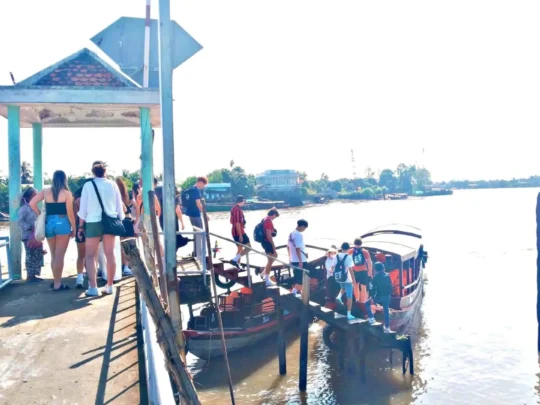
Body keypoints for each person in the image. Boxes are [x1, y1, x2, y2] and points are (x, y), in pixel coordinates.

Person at [77, 161, 125, 297]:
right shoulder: (113, 184)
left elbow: (83, 209)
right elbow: (119, 208)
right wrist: (119, 220)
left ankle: (93, 287)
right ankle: (109, 285)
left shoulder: (88, 185)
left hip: (93, 221)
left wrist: (81, 227)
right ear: (106, 172)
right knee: (110, 254)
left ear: (93, 172)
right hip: (110, 221)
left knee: (90, 255)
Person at [30, 170, 76, 291]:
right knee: (60, 256)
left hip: (49, 224)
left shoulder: (46, 191)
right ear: (64, 179)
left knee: (53, 255)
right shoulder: (67, 193)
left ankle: (56, 281)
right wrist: (74, 228)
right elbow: (70, 214)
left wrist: (40, 215)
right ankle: (57, 284)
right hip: (63, 223)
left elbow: (32, 203)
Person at [19, 187, 45, 282]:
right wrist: (30, 228)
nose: (36, 196)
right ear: (29, 197)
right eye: (34, 195)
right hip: (28, 236)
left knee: (37, 255)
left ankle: (34, 275)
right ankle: (30, 276)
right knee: (30, 255)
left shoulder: (34, 207)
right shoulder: (24, 209)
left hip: (36, 235)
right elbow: (20, 221)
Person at [182, 176, 209, 257]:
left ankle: (196, 252)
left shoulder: (190, 189)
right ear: (200, 182)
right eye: (203, 184)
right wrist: (205, 214)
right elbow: (198, 204)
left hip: (190, 214)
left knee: (196, 232)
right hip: (196, 214)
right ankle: (200, 253)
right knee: (201, 232)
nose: (203, 186)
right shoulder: (196, 191)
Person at [365, 261, 393, 333]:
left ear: (376, 269)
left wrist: (372, 297)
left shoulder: (375, 277)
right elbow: (390, 286)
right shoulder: (387, 275)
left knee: (366, 304)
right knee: (386, 310)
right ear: (383, 268)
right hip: (387, 296)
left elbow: (372, 288)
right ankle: (387, 327)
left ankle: (371, 318)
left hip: (379, 296)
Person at [115, 177, 134, 277]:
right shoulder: (128, 195)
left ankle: (122, 266)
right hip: (128, 221)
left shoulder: (114, 195)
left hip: (119, 221)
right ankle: (126, 267)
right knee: (127, 247)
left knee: (119, 247)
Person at [332, 242, 356, 320]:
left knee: (343, 288)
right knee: (349, 297)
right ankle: (349, 314)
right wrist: (353, 279)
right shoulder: (348, 257)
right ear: (348, 249)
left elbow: (333, 267)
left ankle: (339, 297)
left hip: (339, 278)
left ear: (341, 248)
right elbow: (350, 269)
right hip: (347, 278)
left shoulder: (336, 256)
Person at [258, 208, 279, 286]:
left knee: (273, 257)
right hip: (267, 242)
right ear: (273, 214)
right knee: (271, 260)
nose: (274, 218)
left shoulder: (264, 219)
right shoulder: (268, 221)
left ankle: (264, 273)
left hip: (264, 241)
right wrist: (273, 245)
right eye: (275, 217)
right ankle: (267, 280)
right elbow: (268, 235)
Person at [287, 219, 309, 295]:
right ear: (302, 226)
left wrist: (289, 258)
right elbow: (298, 248)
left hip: (293, 260)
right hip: (301, 260)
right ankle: (294, 293)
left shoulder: (291, 234)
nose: (304, 230)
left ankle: (300, 293)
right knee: (303, 279)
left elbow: (288, 247)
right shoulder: (299, 234)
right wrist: (300, 261)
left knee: (298, 278)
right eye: (305, 228)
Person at [348, 237, 373, 303]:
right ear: (361, 243)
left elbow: (347, 262)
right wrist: (370, 271)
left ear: (354, 243)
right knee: (363, 287)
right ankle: (363, 302)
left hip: (354, 271)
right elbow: (369, 262)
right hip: (363, 271)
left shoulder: (350, 251)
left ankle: (357, 300)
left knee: (355, 286)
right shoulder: (365, 251)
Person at [230, 195, 250, 268]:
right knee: (249, 247)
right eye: (244, 201)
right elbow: (237, 222)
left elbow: (233, 221)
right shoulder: (238, 210)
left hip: (234, 231)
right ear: (241, 201)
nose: (244, 203)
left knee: (240, 248)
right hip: (239, 232)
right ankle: (234, 260)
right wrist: (240, 234)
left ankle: (237, 265)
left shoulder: (233, 209)